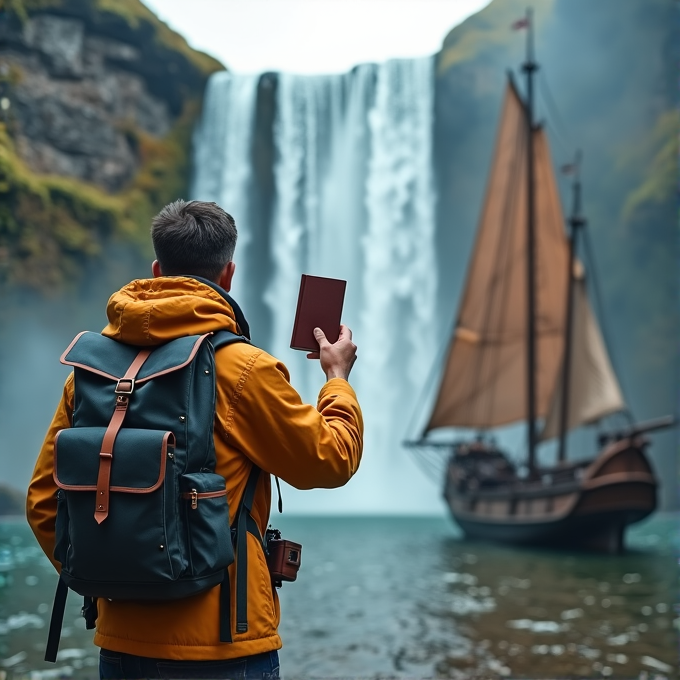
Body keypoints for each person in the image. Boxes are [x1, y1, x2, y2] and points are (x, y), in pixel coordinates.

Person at [26, 199, 364, 680]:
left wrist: (111, 574)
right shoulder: (244, 369)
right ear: (228, 275)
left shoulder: (90, 371)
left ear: (157, 269)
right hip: (224, 649)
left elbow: (43, 500)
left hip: (122, 647)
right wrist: (337, 378)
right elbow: (330, 460)